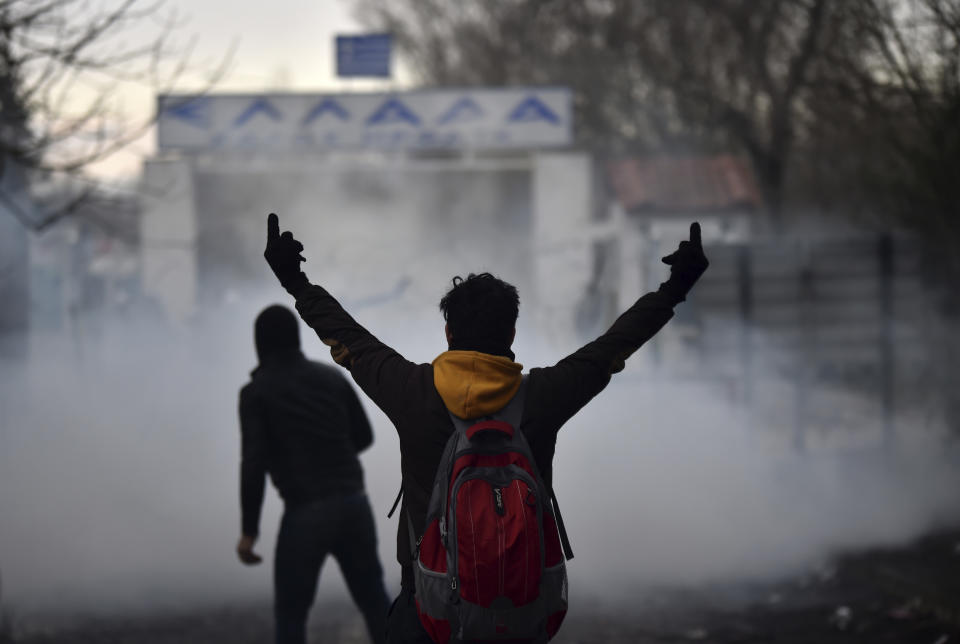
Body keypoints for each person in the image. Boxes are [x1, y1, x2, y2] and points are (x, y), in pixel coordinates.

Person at [263, 213, 708, 643]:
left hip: (429, 611)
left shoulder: (411, 392)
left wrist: (294, 281)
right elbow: (614, 345)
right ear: (512, 333)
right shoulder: (543, 397)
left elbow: (347, 337)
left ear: (448, 332)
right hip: (519, 613)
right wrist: (676, 288)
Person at [236, 304, 391, 644]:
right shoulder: (330, 377)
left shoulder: (256, 393)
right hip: (353, 504)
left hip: (305, 512)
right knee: (375, 601)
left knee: (291, 615)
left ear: (259, 343)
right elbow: (364, 436)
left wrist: (249, 532)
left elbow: (253, 463)